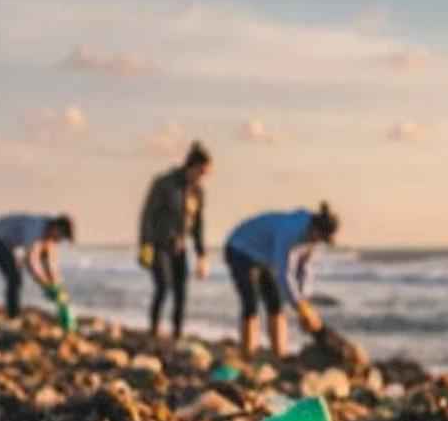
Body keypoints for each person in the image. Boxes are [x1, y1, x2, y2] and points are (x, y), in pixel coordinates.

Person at [223, 202, 340, 359]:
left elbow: (305, 269)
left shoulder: (313, 239)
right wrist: (299, 307)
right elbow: (285, 273)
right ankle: (247, 355)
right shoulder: (290, 231)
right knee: (251, 303)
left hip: (265, 257)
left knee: (276, 303)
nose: (319, 243)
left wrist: (304, 302)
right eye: (320, 238)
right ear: (315, 229)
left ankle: (280, 355)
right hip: (239, 249)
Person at [137, 141, 212, 340]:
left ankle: (177, 333)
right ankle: (153, 330)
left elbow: (198, 225)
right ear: (192, 166)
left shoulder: (198, 192)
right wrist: (145, 245)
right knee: (163, 286)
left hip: (180, 247)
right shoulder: (164, 183)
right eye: (202, 172)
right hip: (159, 245)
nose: (204, 177)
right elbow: (147, 215)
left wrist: (201, 255)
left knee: (181, 291)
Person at [0, 213, 74, 318]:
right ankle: (13, 315)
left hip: (10, 242)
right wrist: (46, 285)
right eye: (61, 236)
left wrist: (58, 286)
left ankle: (13, 313)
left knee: (18, 272)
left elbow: (49, 263)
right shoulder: (35, 229)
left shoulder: (49, 234)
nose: (59, 240)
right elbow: (31, 262)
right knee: (15, 277)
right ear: (57, 228)